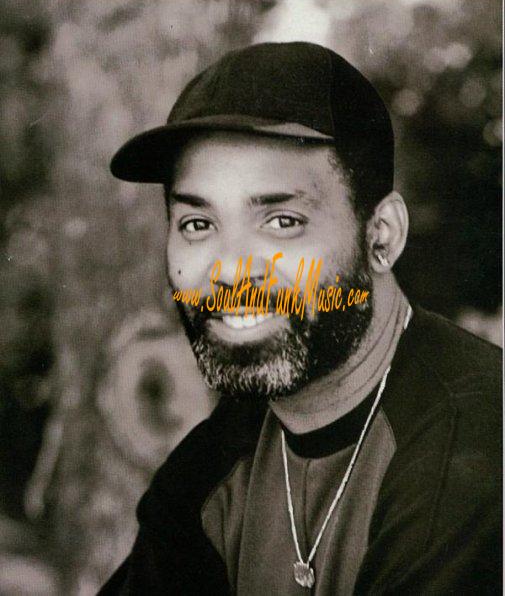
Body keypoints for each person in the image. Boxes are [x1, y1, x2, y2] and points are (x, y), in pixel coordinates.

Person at [99, 42, 501, 595]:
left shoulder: (476, 443)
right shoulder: (217, 463)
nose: (230, 272)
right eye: (197, 224)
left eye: (282, 221)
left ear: (381, 237)